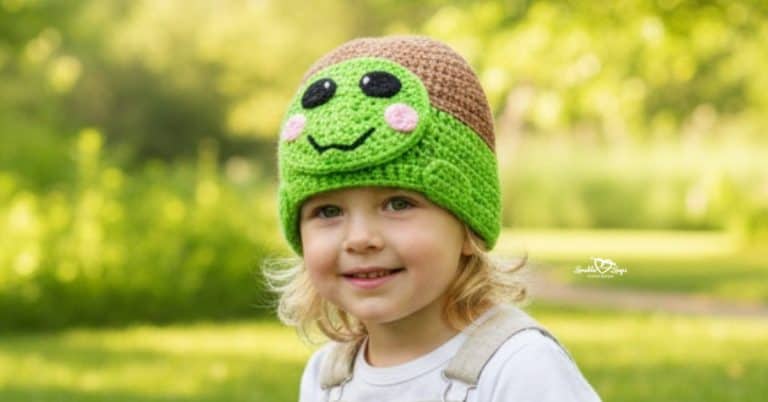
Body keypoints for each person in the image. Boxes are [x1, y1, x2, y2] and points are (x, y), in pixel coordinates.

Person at [263, 35, 601, 402]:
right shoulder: (328, 379)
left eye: (398, 203)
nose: (360, 238)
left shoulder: (518, 367)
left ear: (467, 223)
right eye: (328, 211)